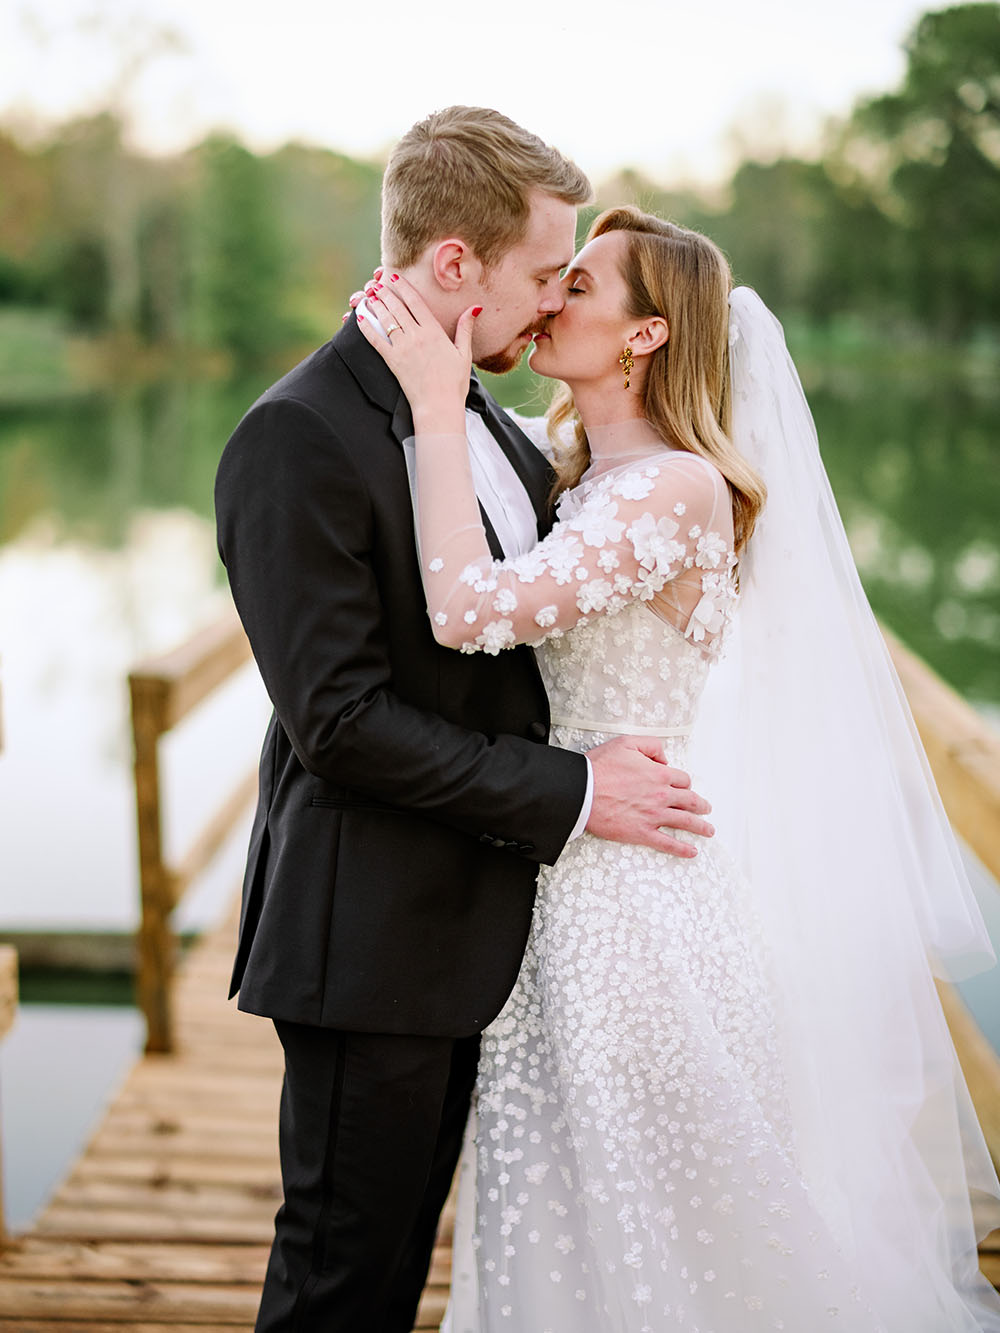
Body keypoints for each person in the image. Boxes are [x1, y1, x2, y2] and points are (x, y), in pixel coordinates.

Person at [357, 205, 1000, 1329]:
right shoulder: (577, 469)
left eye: (580, 287)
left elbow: (467, 612)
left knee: (648, 1208)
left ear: (647, 336)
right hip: (556, 872)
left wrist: (432, 405)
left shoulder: (678, 487)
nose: (550, 301)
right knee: (556, 1198)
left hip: (632, 905)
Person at [214, 110, 717, 1333]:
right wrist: (578, 789)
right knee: (341, 1284)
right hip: (368, 945)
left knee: (401, 1282)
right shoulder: (300, 435)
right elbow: (339, 722)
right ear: (454, 266)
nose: (550, 307)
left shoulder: (489, 419)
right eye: (546, 274)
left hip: (482, 938)